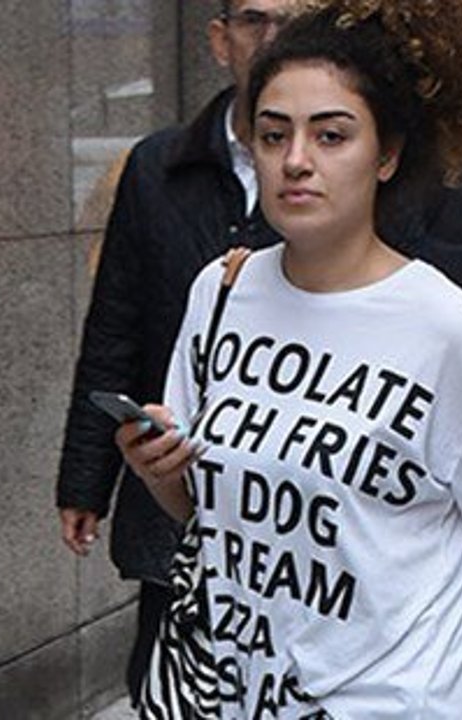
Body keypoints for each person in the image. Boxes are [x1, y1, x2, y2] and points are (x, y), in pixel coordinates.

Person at [115, 2, 462, 717]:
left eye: (332, 135)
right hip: (241, 696)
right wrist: (159, 470)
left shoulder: (449, 331)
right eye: (273, 134)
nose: (296, 160)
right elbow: (212, 512)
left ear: (386, 155)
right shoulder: (220, 293)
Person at [56, 0, 293, 707]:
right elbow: (116, 323)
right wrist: (85, 480)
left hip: (295, 508)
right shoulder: (156, 166)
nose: (272, 38)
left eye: (292, 20)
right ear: (220, 40)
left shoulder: (347, 168)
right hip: (173, 489)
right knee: (165, 686)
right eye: (254, 19)